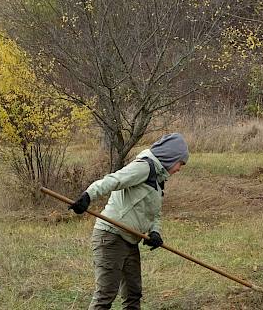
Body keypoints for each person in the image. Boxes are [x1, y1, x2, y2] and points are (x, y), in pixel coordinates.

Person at [68, 133, 189, 310]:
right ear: (171, 158)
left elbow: (154, 213)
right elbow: (113, 180)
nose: (179, 168)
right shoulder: (144, 168)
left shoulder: (159, 180)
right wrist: (88, 196)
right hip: (111, 237)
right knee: (106, 295)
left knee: (133, 294)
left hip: (130, 240)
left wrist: (155, 232)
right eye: (180, 163)